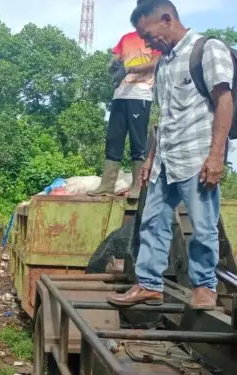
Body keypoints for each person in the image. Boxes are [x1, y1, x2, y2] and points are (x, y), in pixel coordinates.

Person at [108, 0, 234, 310]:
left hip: (197, 156)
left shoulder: (207, 49)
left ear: (166, 19)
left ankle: (205, 287)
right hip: (166, 158)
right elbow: (165, 117)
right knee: (152, 222)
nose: (147, 43)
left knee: (203, 225)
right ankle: (149, 284)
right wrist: (151, 158)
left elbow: (224, 102)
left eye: (147, 35)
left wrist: (217, 156)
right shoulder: (163, 65)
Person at [91, 0, 161, 197]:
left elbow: (155, 64)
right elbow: (114, 60)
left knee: (137, 141)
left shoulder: (153, 38)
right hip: (120, 94)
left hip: (140, 94)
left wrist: (128, 69)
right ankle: (107, 185)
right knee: (114, 139)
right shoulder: (126, 38)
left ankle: (137, 186)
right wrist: (113, 66)